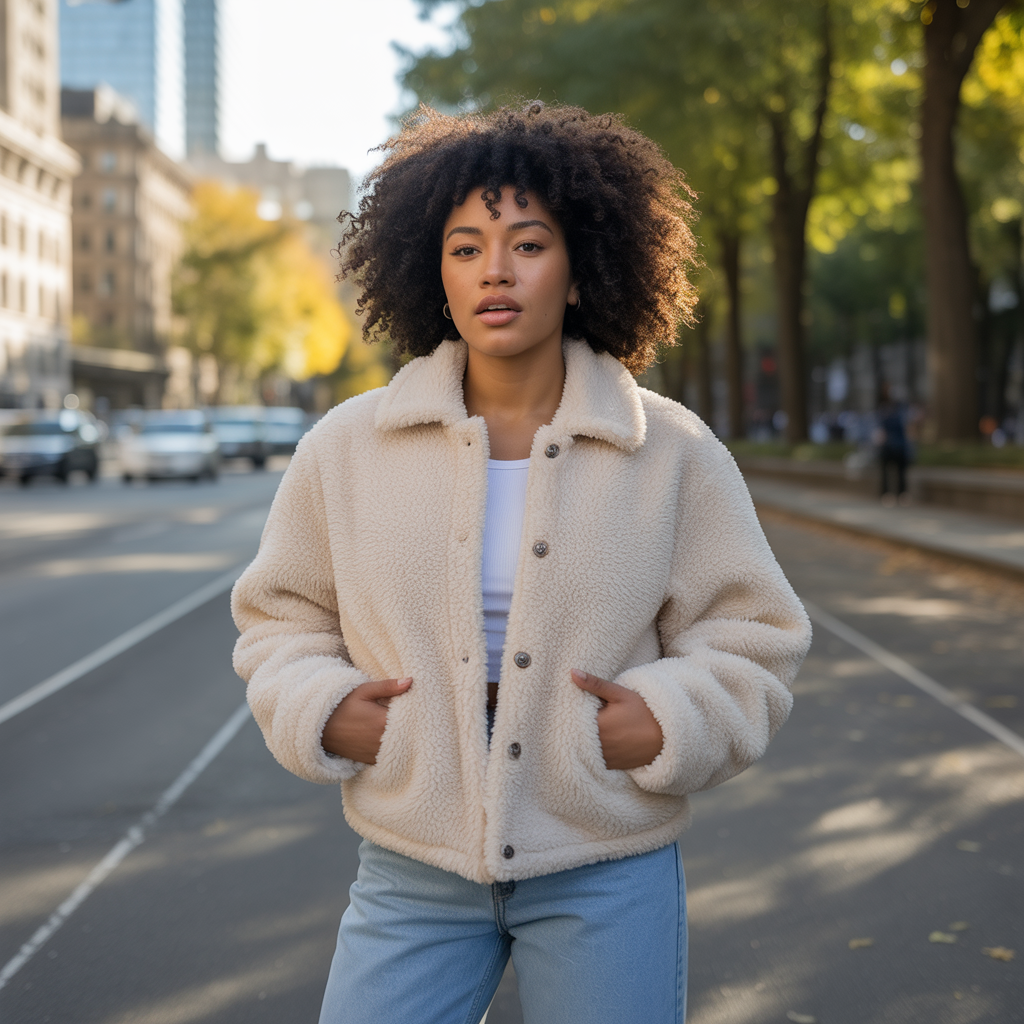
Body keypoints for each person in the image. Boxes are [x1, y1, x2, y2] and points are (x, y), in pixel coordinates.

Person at [232, 103, 811, 1024]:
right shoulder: (345, 448)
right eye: (465, 248)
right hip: (411, 863)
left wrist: (669, 720)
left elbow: (756, 634)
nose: (494, 271)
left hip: (606, 862)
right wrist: (322, 708)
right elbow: (280, 618)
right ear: (436, 274)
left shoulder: (671, 450)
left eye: (528, 245)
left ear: (581, 271)